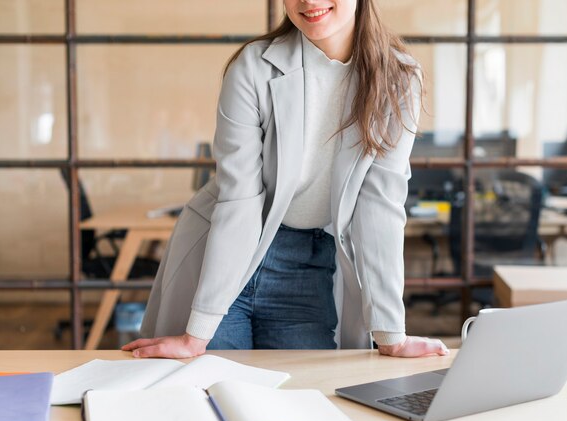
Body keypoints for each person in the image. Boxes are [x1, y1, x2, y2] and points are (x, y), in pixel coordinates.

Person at [122, 0, 449, 359]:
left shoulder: (399, 78)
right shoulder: (253, 66)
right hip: (222, 257)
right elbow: (239, 200)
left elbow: (380, 206)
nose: (309, 2)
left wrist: (391, 336)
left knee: (307, 400)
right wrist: (195, 335)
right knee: (211, 392)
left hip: (306, 265)